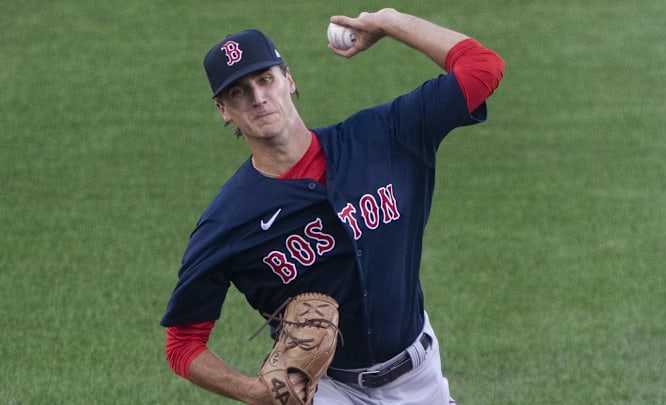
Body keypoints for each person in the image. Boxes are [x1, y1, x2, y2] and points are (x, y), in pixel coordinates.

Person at [160, 8, 504, 404]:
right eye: (238, 92)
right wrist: (253, 392)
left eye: (265, 79)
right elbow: (182, 344)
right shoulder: (227, 221)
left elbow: (483, 67)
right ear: (224, 110)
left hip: (420, 378)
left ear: (289, 79)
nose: (258, 98)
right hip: (326, 390)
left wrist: (388, 21)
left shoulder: (383, 136)